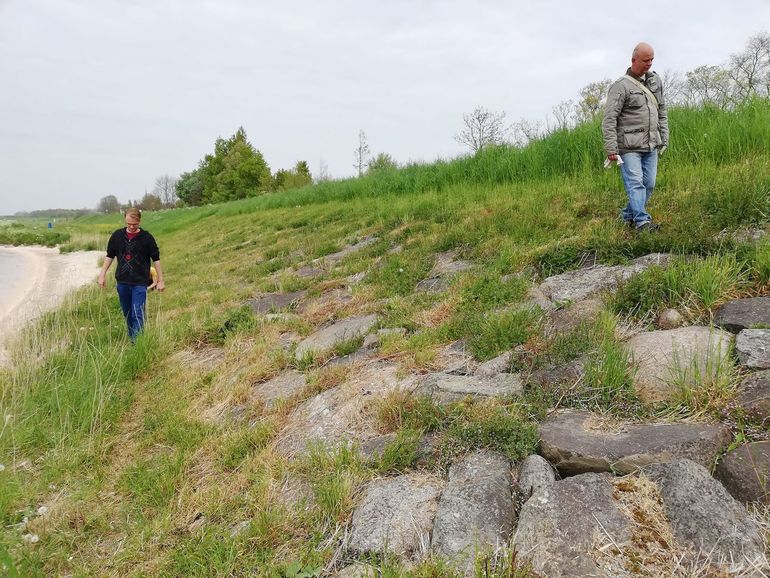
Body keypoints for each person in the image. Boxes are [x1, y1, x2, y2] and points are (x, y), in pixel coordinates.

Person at [602, 42, 669, 231]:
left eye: (652, 60)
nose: (650, 64)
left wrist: (664, 135)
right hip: (628, 146)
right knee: (636, 183)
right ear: (634, 60)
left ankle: (627, 216)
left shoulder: (656, 81)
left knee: (649, 184)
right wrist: (611, 149)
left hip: (651, 144)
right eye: (646, 60)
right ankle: (642, 222)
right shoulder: (620, 86)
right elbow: (609, 119)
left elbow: (662, 109)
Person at [97, 208, 165, 341]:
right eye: (129, 224)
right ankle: (132, 337)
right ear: (125, 220)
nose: (132, 227)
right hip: (122, 282)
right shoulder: (117, 236)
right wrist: (102, 275)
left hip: (140, 282)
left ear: (139, 221)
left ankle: (137, 342)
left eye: (135, 224)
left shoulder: (147, 238)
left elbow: (156, 259)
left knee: (137, 313)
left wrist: (161, 280)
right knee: (128, 313)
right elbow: (109, 256)